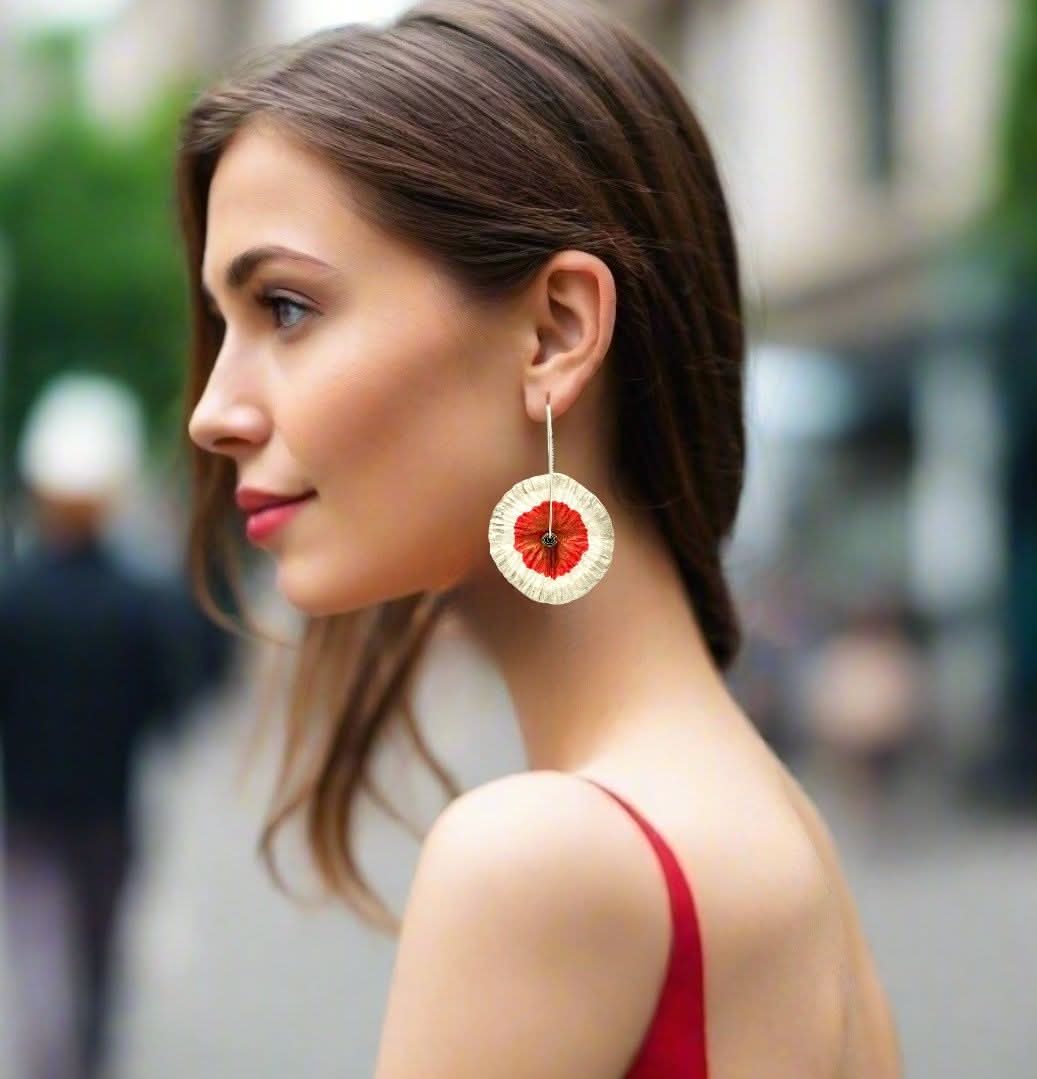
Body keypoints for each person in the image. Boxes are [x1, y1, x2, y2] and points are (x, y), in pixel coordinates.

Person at [179, 0, 902, 1074]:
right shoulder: (770, 815)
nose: (213, 411)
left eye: (285, 308)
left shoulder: (544, 857)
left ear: (555, 332)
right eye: (227, 325)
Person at [0, 374, 207, 1079]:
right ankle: (85, 1059)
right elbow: (175, 701)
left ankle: (49, 1059)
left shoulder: (14, 594)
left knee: (37, 948)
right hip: (107, 810)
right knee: (96, 949)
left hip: (25, 808)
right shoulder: (141, 600)